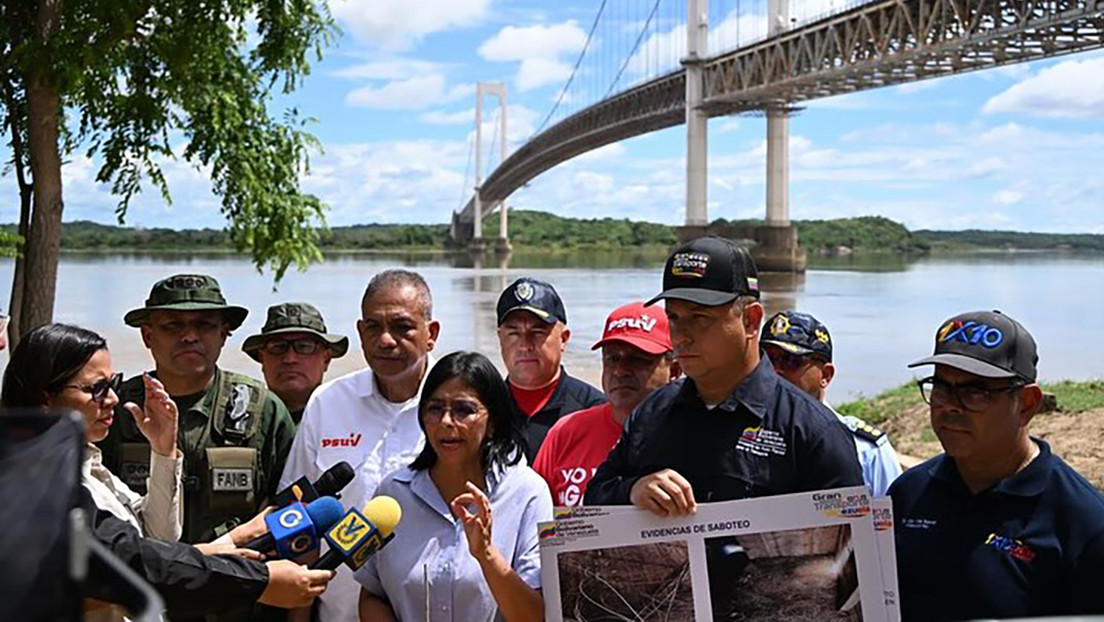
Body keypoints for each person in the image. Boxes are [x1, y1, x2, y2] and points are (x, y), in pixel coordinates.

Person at [0, 324, 295, 621]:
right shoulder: (36, 481)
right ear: (46, 397)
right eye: (96, 389)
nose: (113, 398)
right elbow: (130, 559)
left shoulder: (87, 463)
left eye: (112, 383)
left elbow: (158, 538)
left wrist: (164, 450)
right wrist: (253, 580)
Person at [585, 237, 864, 512]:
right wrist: (633, 489)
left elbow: (849, 545)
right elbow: (595, 500)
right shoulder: (652, 413)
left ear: (751, 320)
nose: (681, 337)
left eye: (700, 318)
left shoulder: (812, 431)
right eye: (674, 318)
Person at [890, 310, 1104, 620]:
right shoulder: (908, 494)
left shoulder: (1085, 525)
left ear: (1027, 404)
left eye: (975, 392)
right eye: (941, 386)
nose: (949, 404)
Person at [281, 269, 439, 622]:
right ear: (360, 333)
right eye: (373, 328)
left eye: (401, 327)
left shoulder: (460, 408)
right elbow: (298, 519)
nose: (385, 340)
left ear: (432, 334)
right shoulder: (328, 403)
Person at [98, 274, 296, 547]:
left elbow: (288, 507)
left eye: (204, 325)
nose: (190, 336)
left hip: (236, 575)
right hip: (139, 577)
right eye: (172, 326)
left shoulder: (263, 409)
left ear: (224, 334)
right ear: (147, 335)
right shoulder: (114, 409)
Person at [356, 351, 552, 622]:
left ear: (493, 421)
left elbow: (536, 616)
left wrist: (486, 556)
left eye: (464, 410)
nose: (446, 422)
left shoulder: (528, 493)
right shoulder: (392, 493)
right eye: (435, 409)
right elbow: (372, 595)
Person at [533, 301, 679, 507]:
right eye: (612, 358)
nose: (620, 371)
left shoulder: (693, 433)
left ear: (675, 370)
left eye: (637, 359)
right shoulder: (566, 432)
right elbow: (535, 520)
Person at [762, 310, 902, 496]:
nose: (776, 370)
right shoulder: (739, 437)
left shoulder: (867, 452)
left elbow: (891, 518)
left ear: (825, 375)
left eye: (791, 361)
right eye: (767, 359)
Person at [496, 277, 605, 461]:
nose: (525, 345)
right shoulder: (485, 409)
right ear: (500, 338)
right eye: (514, 334)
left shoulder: (594, 410)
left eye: (537, 333)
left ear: (563, 338)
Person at [242, 302, 349, 425]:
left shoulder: (349, 421)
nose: (290, 358)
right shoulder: (238, 420)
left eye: (304, 347)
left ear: (326, 359)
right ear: (262, 359)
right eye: (278, 347)